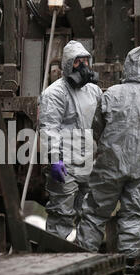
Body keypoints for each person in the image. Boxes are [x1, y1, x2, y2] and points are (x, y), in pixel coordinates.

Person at [75, 43, 140, 272]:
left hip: (110, 165)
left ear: (127, 67)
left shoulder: (112, 94)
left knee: (96, 212)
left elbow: (96, 126)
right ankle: (128, 265)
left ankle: (82, 260)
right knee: (133, 216)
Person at [39, 40, 102, 240]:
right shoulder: (55, 93)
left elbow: (102, 124)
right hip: (65, 165)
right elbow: (49, 128)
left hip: (88, 164)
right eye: (78, 62)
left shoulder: (94, 91)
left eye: (85, 60)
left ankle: (84, 257)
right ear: (68, 64)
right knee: (62, 214)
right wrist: (55, 159)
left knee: (89, 214)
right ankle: (55, 257)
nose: (83, 66)